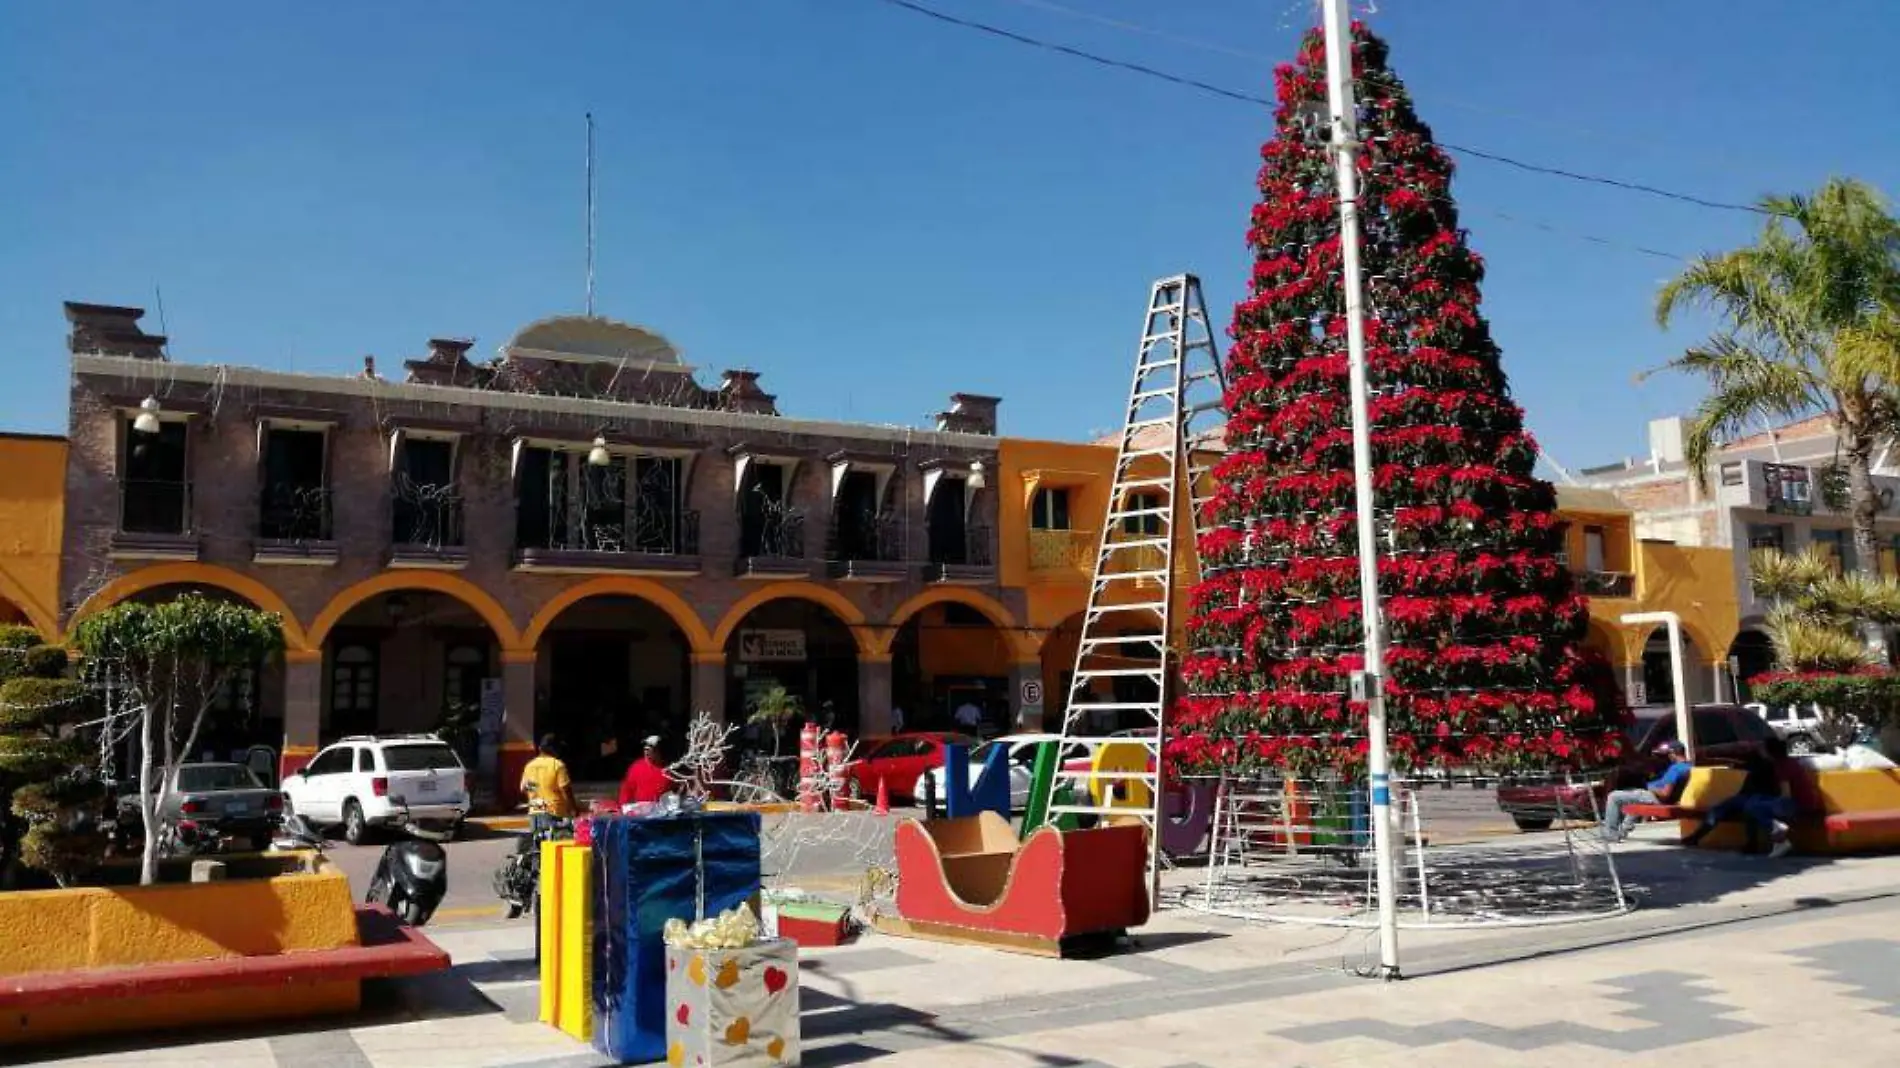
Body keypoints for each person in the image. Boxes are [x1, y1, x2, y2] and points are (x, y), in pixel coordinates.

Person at [1683, 737, 1796, 857]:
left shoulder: (1777, 766)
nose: (1759, 750)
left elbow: (1782, 792)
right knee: (1720, 808)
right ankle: (1697, 836)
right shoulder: (1760, 761)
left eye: (1762, 748)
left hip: (1763, 797)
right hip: (1745, 796)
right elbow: (1741, 766)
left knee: (1751, 808)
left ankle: (1753, 843)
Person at [1601, 740, 1693, 843]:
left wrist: (1646, 787)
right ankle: (1622, 831)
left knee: (1613, 796)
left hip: (1656, 798)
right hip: (1655, 796)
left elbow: (1665, 794)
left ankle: (1610, 833)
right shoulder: (1689, 766)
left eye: (1667, 754)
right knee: (1634, 795)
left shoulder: (1675, 769)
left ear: (1673, 753)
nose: (1666, 757)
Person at [519, 734, 577, 829]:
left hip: (534, 814)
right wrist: (574, 809)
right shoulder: (557, 765)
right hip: (554, 814)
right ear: (554, 749)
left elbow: (523, 788)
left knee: (538, 842)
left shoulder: (529, 765)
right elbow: (565, 790)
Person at [618, 735, 672, 808]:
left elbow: (678, 789)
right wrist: (623, 806)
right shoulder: (636, 767)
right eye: (645, 749)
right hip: (642, 810)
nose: (646, 751)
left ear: (659, 751)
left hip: (662, 810)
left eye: (651, 749)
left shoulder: (669, 769)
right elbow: (626, 789)